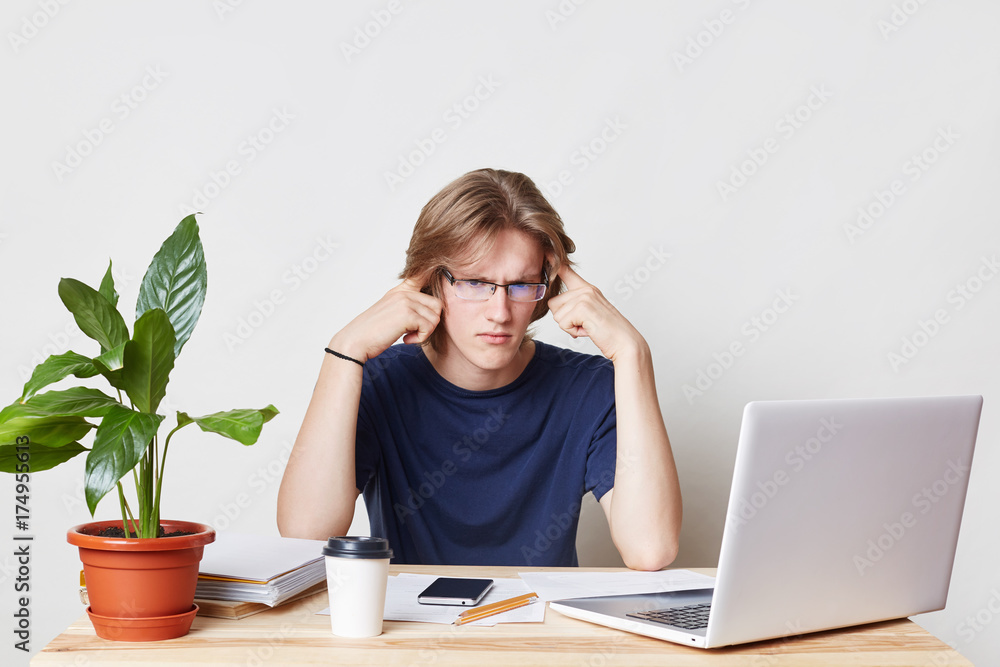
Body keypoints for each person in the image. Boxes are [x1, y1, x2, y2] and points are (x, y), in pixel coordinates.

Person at [277, 168, 681, 570]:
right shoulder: (378, 381)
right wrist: (344, 351)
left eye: (521, 285)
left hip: (544, 629)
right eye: (474, 283)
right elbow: (304, 534)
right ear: (433, 283)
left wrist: (633, 354)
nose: (500, 313)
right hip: (405, 628)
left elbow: (650, 549)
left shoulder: (589, 387)